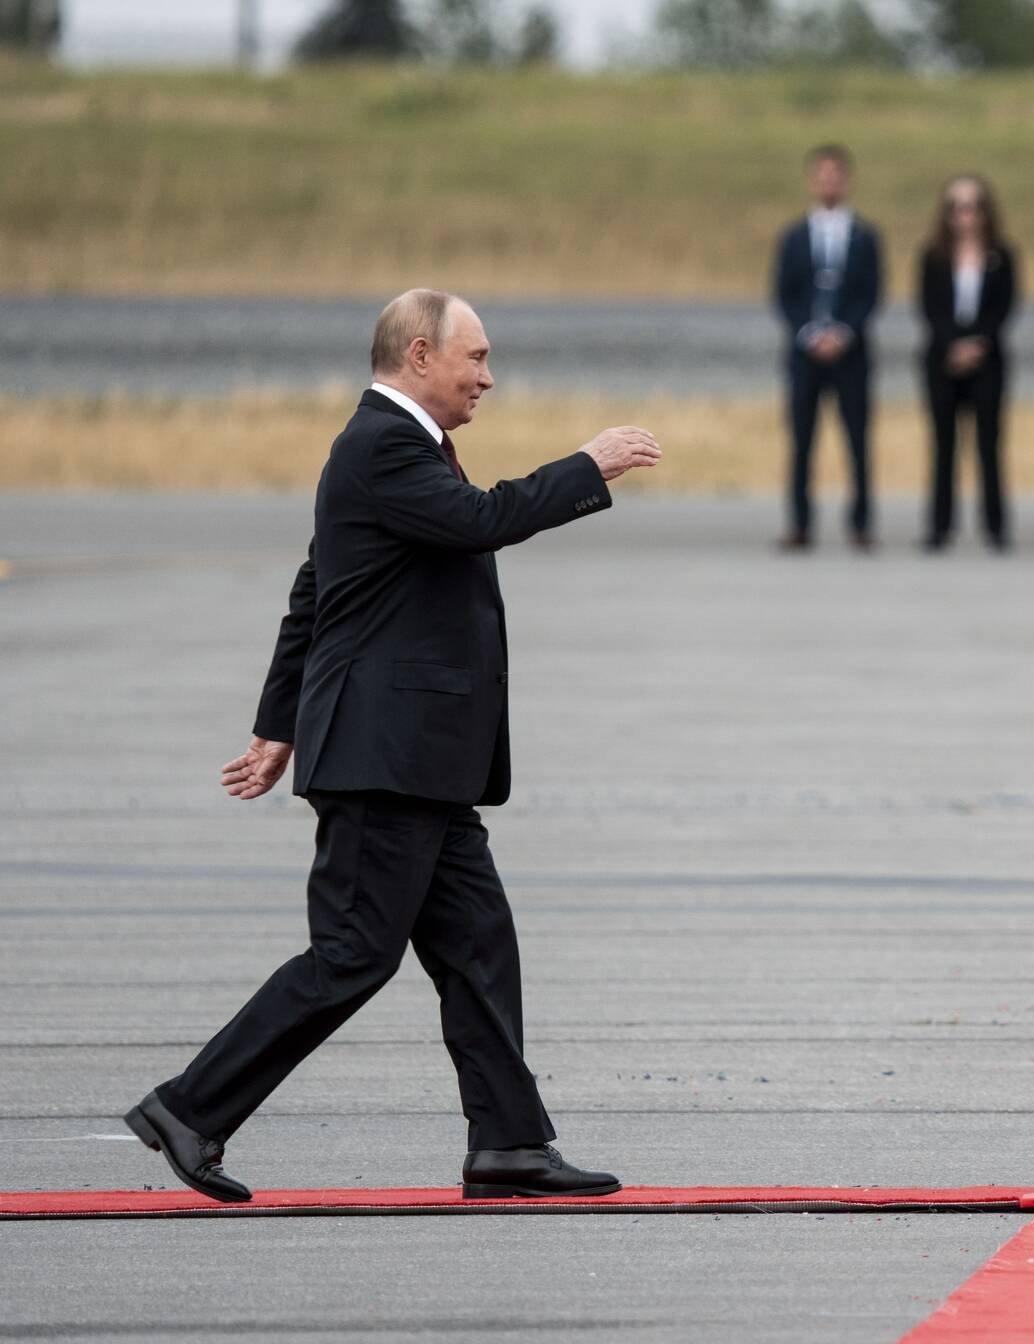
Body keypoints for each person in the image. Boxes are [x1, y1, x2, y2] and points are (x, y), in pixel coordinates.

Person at [126, 289, 661, 1203]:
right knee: (350, 954)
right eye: (476, 358)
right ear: (419, 356)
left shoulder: (398, 449)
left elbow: (314, 592)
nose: (488, 376)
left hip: (419, 762)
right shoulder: (382, 446)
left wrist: (279, 726)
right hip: (386, 761)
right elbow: (484, 520)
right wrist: (591, 465)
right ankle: (189, 1109)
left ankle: (509, 1145)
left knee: (479, 946)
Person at [773, 144, 884, 551]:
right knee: (802, 440)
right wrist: (810, 332)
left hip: (851, 355)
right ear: (811, 180)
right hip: (805, 355)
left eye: (836, 175)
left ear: (847, 180)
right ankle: (800, 523)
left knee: (857, 439)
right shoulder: (794, 236)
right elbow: (784, 294)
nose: (829, 182)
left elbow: (872, 293)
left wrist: (843, 333)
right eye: (822, 175)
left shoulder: (865, 236)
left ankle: (861, 523)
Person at [919, 173, 1017, 551]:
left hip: (988, 360)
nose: (966, 216)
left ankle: (995, 526)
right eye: (957, 208)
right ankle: (940, 526)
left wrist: (977, 344)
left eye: (974, 207)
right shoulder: (933, 257)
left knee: (989, 443)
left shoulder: (1001, 257)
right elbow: (929, 307)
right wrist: (953, 345)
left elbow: (1005, 306)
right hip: (942, 361)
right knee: (943, 445)